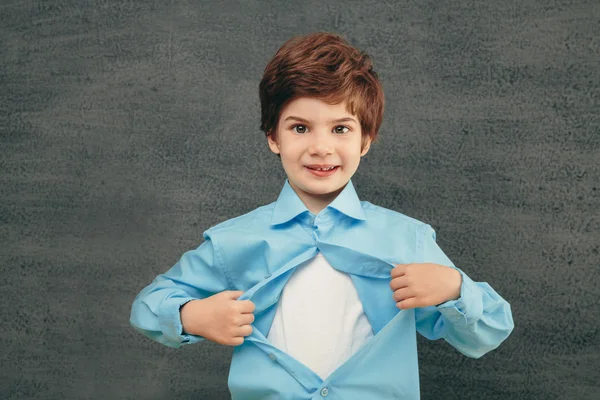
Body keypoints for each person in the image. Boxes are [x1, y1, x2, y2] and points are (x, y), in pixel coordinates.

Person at [130, 31, 514, 399]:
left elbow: (489, 331)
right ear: (273, 138)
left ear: (365, 140)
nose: (321, 147)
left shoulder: (406, 239)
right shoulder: (233, 241)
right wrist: (191, 316)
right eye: (300, 127)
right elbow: (148, 305)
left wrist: (454, 288)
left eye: (340, 129)